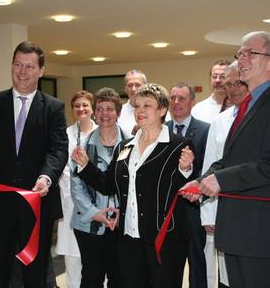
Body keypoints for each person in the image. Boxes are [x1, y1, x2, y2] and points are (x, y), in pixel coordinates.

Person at [72, 83, 195, 288]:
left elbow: (185, 190)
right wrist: (85, 166)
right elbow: (108, 185)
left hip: (164, 239)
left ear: (162, 110)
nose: (140, 111)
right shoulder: (125, 146)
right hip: (129, 239)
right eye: (137, 106)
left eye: (147, 105)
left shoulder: (179, 146)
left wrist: (186, 170)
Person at [0, 41, 68, 288]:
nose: (22, 72)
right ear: (12, 66)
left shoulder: (53, 108)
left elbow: (58, 150)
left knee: (35, 274)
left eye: (29, 66)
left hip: (36, 206)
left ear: (41, 71)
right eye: (17, 65)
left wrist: (46, 177)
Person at [181, 31, 270, 288]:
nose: (241, 59)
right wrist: (200, 183)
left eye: (249, 53)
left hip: (259, 231)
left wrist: (220, 179)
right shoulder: (247, 105)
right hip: (238, 230)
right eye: (239, 53)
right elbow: (229, 158)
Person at [71, 87, 125, 288]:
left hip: (121, 224)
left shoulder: (131, 144)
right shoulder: (82, 147)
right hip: (89, 224)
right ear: (94, 112)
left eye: (110, 109)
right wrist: (95, 213)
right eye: (100, 109)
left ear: (118, 113)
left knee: (119, 278)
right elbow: (76, 187)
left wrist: (121, 211)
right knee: (91, 278)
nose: (104, 114)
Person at [200, 61, 248, 288]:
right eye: (228, 84)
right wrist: (208, 214)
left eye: (238, 82)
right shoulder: (220, 121)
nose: (232, 88)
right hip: (224, 207)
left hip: (256, 206)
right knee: (229, 274)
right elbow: (211, 165)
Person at [167, 83, 209, 288]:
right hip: (167, 212)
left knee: (196, 264)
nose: (176, 103)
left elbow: (209, 169)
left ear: (193, 102)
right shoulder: (160, 129)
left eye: (181, 98)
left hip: (193, 210)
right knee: (168, 265)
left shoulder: (205, 130)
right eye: (172, 98)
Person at [55, 90, 97, 288]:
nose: (81, 109)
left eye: (85, 105)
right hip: (71, 203)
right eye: (77, 106)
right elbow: (61, 167)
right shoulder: (65, 135)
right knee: (73, 261)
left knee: (97, 262)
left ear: (92, 108)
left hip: (97, 204)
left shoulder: (102, 132)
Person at [117, 69, 146, 136]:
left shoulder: (158, 111)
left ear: (145, 87)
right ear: (125, 89)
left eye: (137, 85)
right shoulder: (118, 113)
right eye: (130, 85)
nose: (133, 89)